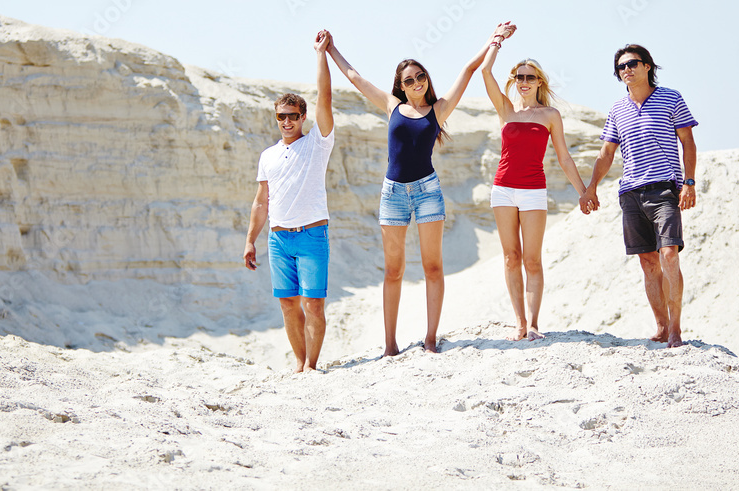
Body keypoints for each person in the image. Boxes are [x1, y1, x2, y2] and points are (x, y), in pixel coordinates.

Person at [324, 24, 512, 355]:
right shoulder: (391, 106)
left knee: (433, 267)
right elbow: (354, 77)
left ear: (426, 78)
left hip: (428, 192)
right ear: (400, 86)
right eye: (408, 80)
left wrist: (495, 39)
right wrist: (330, 48)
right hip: (393, 193)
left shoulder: (439, 109)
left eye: (419, 76)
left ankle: (430, 339)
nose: (415, 83)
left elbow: (468, 70)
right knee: (394, 270)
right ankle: (391, 345)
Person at [581, 44, 698, 348]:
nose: (627, 70)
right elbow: (607, 152)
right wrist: (591, 186)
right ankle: (660, 326)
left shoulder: (671, 98)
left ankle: (675, 328)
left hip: (664, 189)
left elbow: (688, 142)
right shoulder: (617, 109)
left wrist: (689, 182)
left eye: (632, 63)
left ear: (648, 66)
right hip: (630, 193)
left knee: (669, 255)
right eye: (621, 67)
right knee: (648, 263)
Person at [481, 34, 590, 341]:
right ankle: (518, 322)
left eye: (530, 77)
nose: (524, 82)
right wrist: (497, 41)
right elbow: (485, 73)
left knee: (532, 259)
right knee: (510, 257)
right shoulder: (506, 110)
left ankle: (534, 324)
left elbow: (565, 158)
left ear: (540, 82)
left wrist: (583, 191)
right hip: (502, 189)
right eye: (519, 77)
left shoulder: (550, 116)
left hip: (533, 191)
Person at [244, 30, 335, 372]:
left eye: (292, 116)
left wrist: (320, 55)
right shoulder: (267, 156)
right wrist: (250, 240)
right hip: (278, 238)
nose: (286, 122)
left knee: (313, 304)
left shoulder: (316, 144)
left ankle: (312, 366)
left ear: (303, 118)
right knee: (287, 303)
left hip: (311, 235)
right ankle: (300, 365)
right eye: (280, 116)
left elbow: (324, 98)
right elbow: (260, 202)